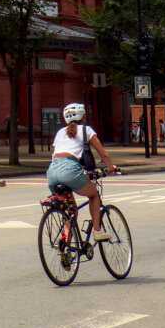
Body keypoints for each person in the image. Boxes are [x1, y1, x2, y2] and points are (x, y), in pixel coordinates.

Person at [46, 102, 117, 242]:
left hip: (52, 171)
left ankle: (65, 242)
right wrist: (111, 167)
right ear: (83, 116)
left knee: (71, 211)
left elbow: (57, 154)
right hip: (70, 170)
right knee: (94, 195)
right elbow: (103, 154)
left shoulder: (60, 132)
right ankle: (97, 231)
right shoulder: (86, 130)